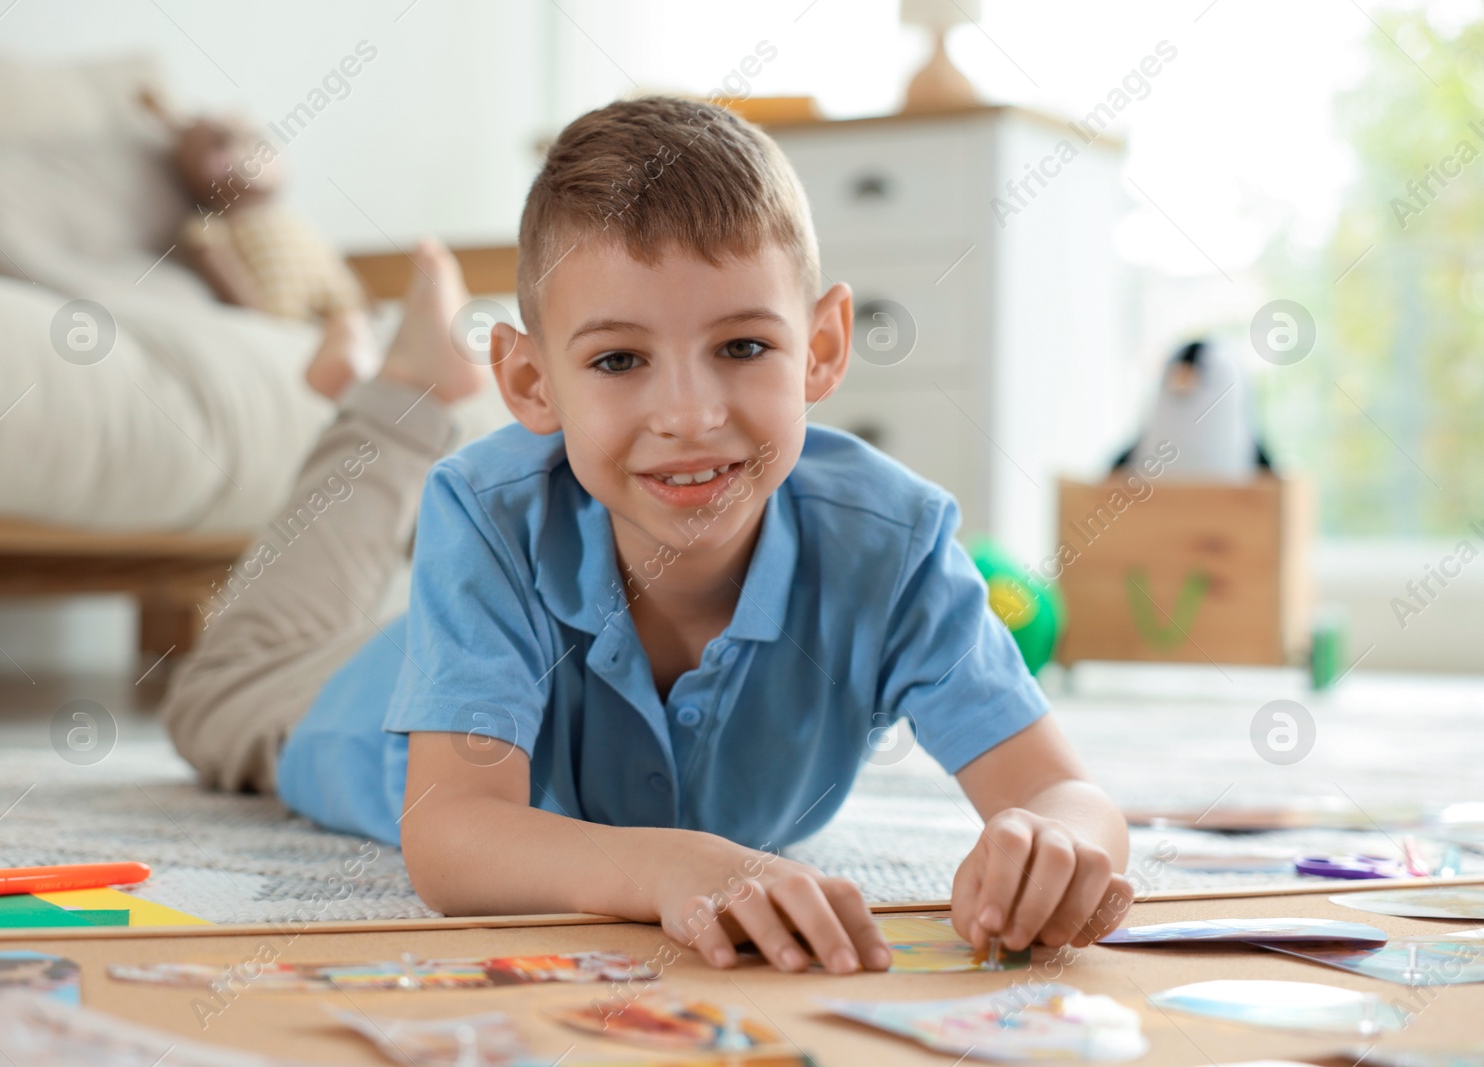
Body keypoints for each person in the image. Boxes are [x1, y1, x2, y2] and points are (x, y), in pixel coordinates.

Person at [161, 95, 1132, 977]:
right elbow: (452, 836)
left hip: (442, 645)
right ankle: (399, 396)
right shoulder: (491, 508)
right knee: (221, 682)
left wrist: (1055, 841)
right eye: (619, 358)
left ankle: (413, 373)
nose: (688, 412)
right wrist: (677, 863)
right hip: (330, 701)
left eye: (742, 347)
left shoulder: (896, 542)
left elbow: (1064, 791)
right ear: (533, 382)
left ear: (823, 347)